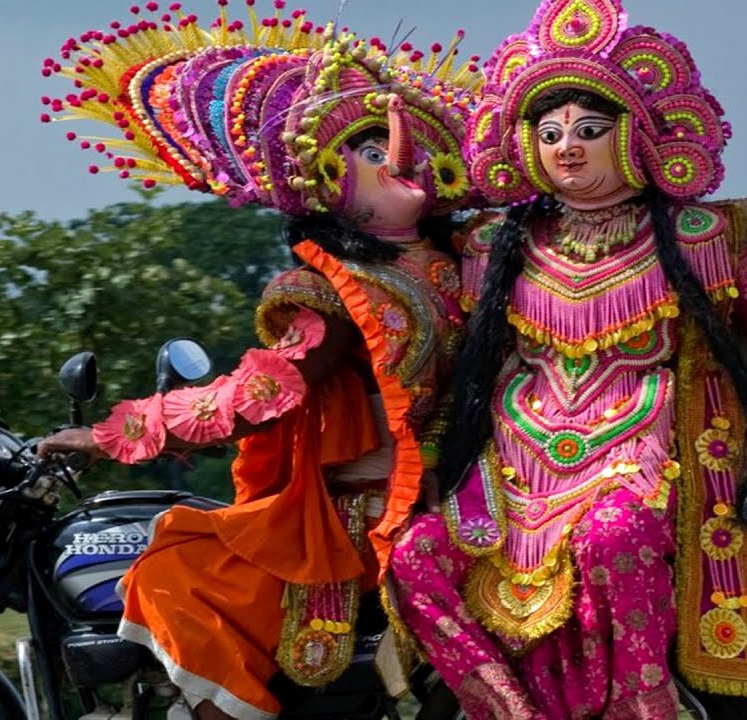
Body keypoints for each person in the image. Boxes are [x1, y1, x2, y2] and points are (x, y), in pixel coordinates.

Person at [384, 1, 747, 717]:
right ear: (525, 144)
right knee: (416, 555)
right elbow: (469, 370)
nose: (568, 147)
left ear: (635, 138)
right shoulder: (496, 244)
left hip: (643, 463)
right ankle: (504, 710)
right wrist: (433, 454)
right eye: (551, 131)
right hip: (513, 467)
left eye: (590, 131)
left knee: (612, 542)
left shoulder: (699, 236)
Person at [35, 4, 483, 718]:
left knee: (172, 569)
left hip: (367, 517)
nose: (399, 154)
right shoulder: (451, 264)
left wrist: (110, 435)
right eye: (373, 150)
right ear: (328, 185)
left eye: (401, 142)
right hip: (451, 493)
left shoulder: (347, 286)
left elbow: (256, 394)